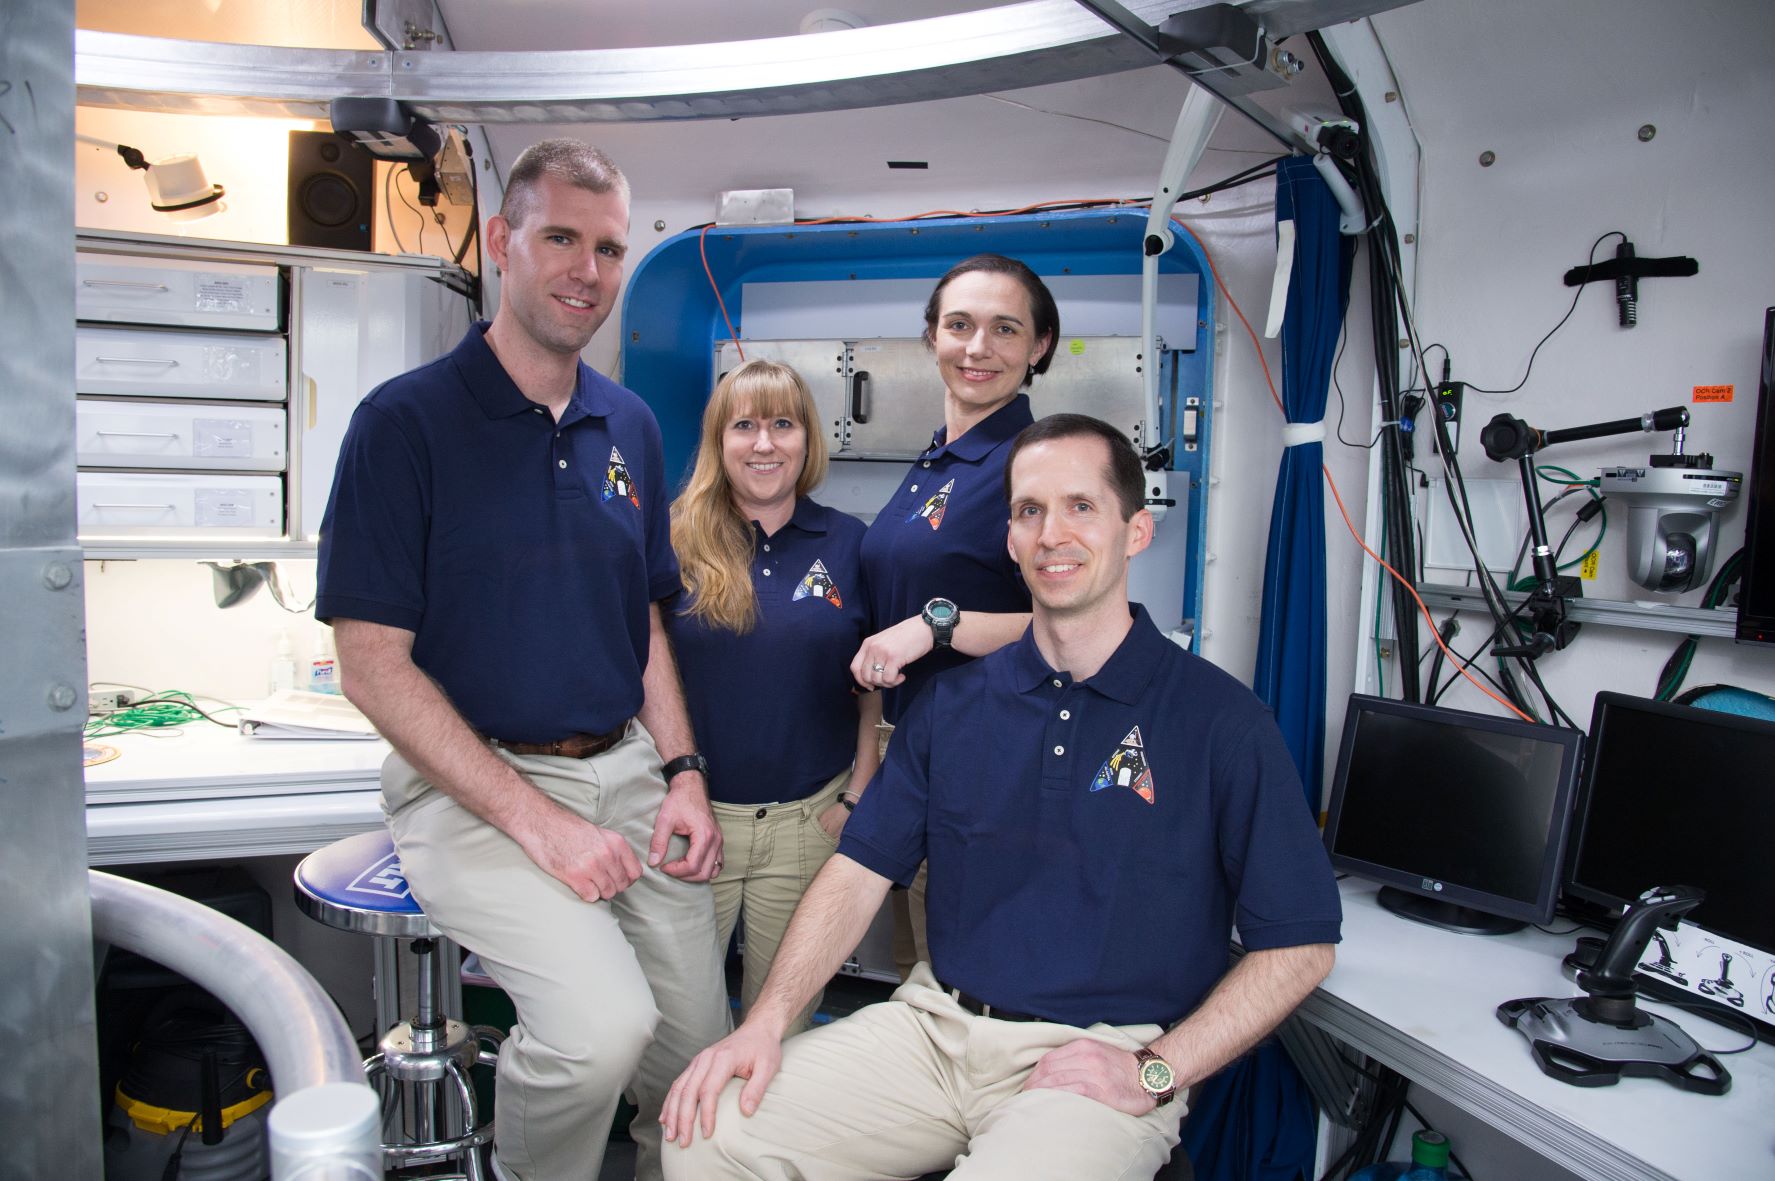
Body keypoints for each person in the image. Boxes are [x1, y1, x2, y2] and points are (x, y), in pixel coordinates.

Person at [658, 413, 1342, 1181]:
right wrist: (765, 1022)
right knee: (703, 1133)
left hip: (1098, 1055)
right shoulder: (952, 707)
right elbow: (856, 873)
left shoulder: (1222, 722)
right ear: (1010, 541)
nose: (1052, 533)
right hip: (931, 1029)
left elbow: (1300, 944)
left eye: (1081, 506)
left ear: (1136, 531)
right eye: (1028, 511)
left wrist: (1157, 1068)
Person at [315, 138, 729, 1181]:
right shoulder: (401, 424)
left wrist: (681, 772)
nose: (587, 270)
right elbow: (370, 664)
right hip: (473, 789)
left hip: (627, 771)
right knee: (600, 1031)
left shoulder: (626, 420)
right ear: (501, 242)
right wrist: (541, 822)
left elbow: (640, 616)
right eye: (560, 238)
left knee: (695, 1058)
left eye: (608, 247)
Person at [848, 253, 1054, 974]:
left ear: (1039, 347)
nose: (977, 347)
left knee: (967, 992)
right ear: (931, 337)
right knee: (923, 987)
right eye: (959, 325)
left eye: (1005, 329)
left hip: (992, 778)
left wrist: (935, 623)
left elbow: (1083, 625)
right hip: (919, 767)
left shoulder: (1035, 462)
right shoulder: (940, 459)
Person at [665, 358, 883, 1035]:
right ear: (718, 441)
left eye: (782, 424)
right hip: (689, 825)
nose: (764, 443)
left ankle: (756, 1148)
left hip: (804, 827)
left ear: (807, 439)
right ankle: (660, 1148)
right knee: (675, 1034)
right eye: (745, 425)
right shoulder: (673, 540)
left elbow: (873, 682)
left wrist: (856, 792)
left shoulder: (849, 542)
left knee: (777, 1031)